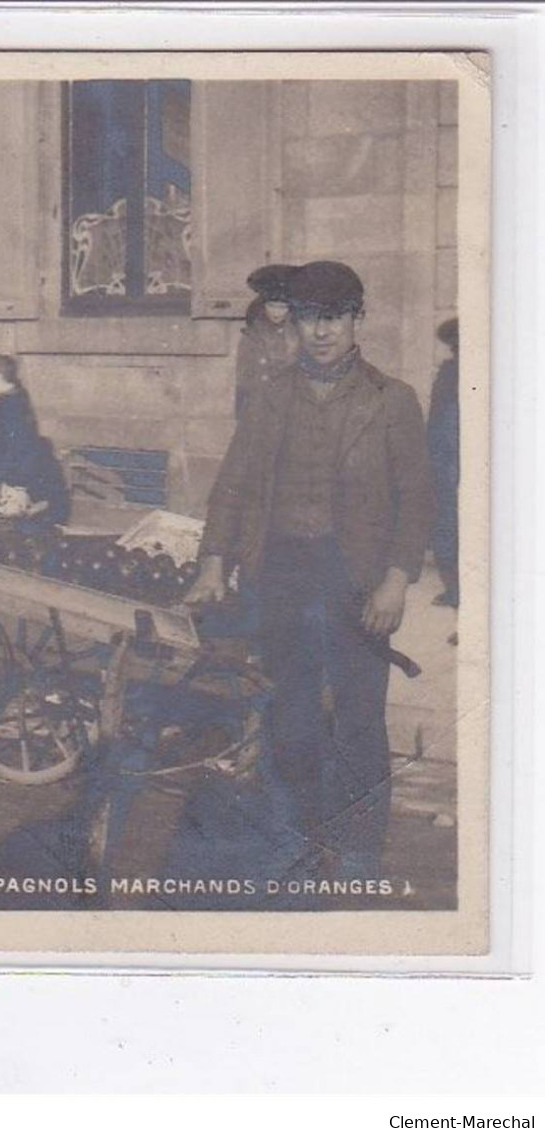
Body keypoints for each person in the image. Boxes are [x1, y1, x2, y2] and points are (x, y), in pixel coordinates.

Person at [186, 260, 434, 883]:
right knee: (289, 711)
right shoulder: (272, 395)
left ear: (357, 319)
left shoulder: (392, 401)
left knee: (356, 714)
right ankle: (296, 831)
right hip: (283, 573)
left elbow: (419, 500)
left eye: (333, 317)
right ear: (292, 324)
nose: (320, 331)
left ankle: (356, 847)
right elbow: (234, 483)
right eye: (307, 319)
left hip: (355, 578)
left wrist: (397, 579)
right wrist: (214, 561)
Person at [0, 354, 71, 525]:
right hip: (22, 475)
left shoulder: (10, 406)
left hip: (18, 479)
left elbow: (15, 449)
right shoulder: (16, 398)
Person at [234, 264, 300, 418]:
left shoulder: (299, 335)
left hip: (291, 408)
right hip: (260, 407)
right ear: (263, 306)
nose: (276, 312)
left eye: (283, 307)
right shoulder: (252, 336)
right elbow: (243, 380)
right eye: (271, 305)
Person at [428, 318, 460, 613]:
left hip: (463, 466)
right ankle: (455, 593)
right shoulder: (448, 375)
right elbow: (437, 423)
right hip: (448, 466)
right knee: (446, 531)